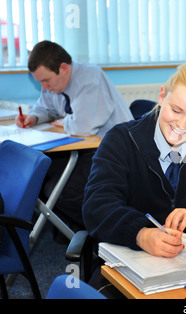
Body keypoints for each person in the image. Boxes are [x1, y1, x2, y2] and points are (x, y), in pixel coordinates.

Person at [83, 59, 186, 260]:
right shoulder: (121, 140)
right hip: (128, 261)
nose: (181, 125)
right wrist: (140, 234)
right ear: (162, 96)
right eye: (176, 110)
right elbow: (97, 206)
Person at [15, 41, 134, 231]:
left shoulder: (90, 78)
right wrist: (33, 117)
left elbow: (82, 126)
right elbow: (45, 107)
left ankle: (106, 231)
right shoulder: (55, 85)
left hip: (114, 152)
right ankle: (71, 230)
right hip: (84, 148)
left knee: (60, 190)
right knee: (37, 174)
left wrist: (64, 121)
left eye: (46, 81)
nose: (44, 87)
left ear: (63, 68)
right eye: (40, 83)